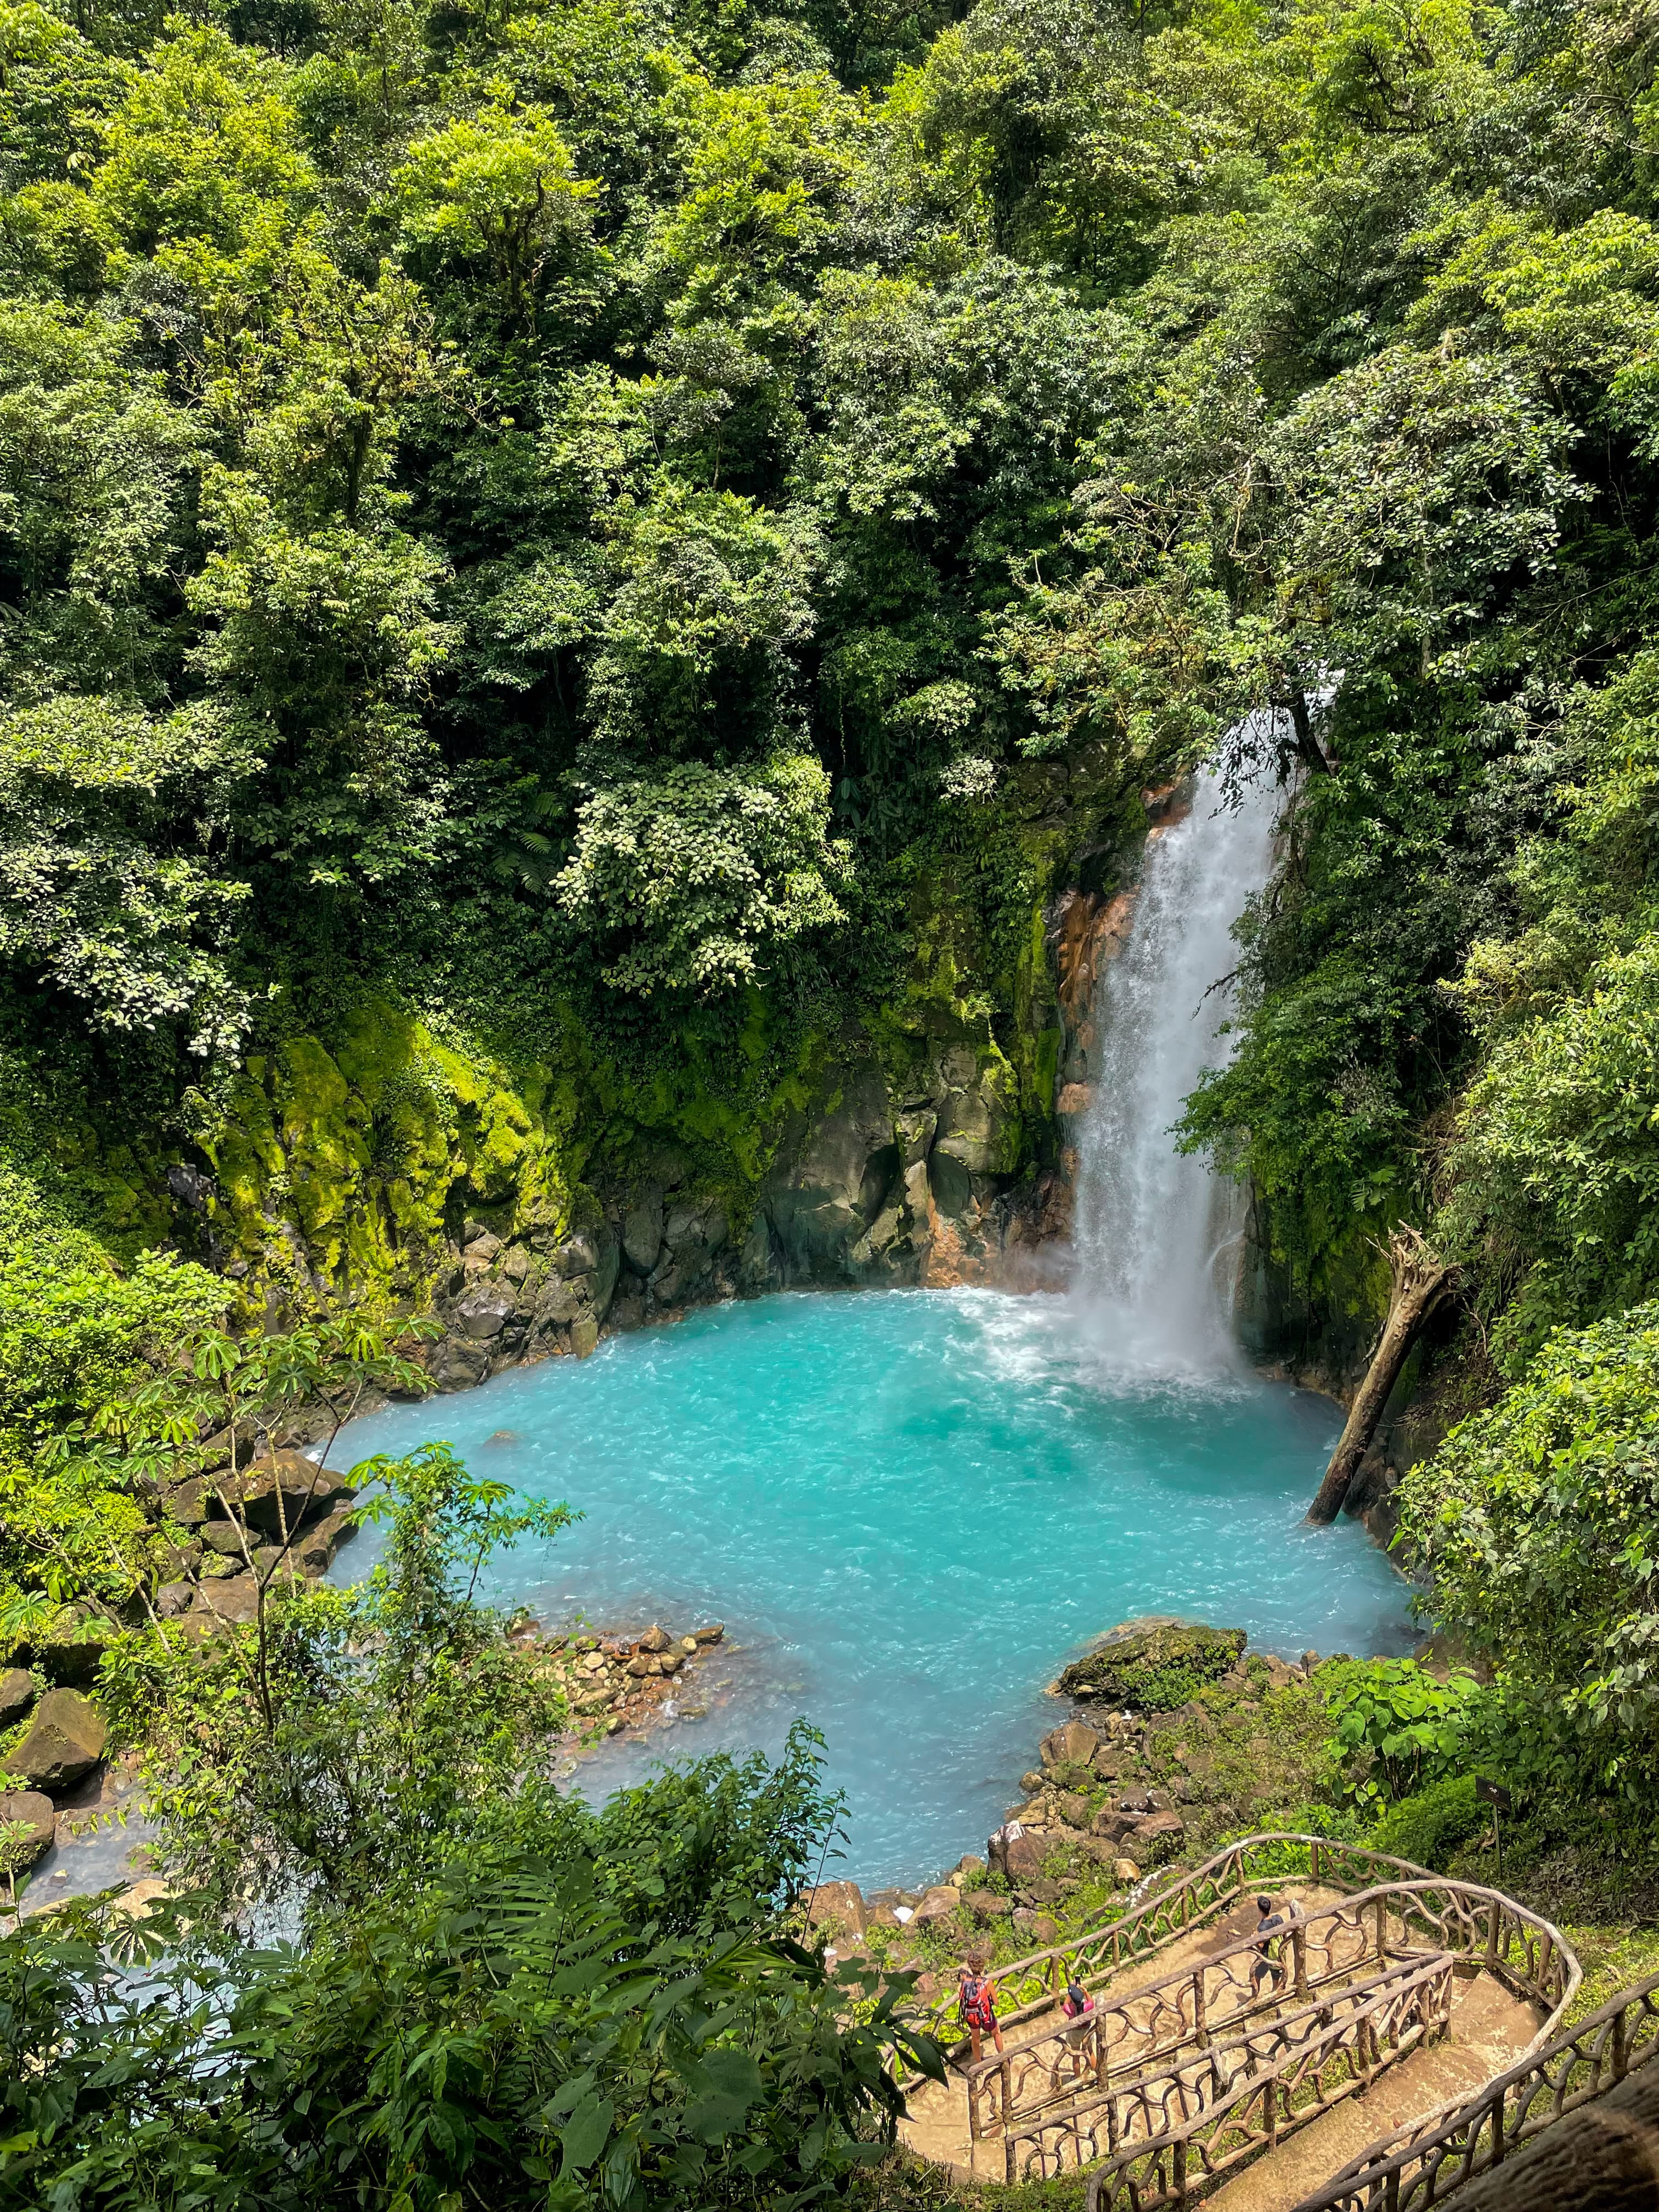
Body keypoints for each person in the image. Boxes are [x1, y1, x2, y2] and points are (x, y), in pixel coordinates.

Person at [959, 1952, 1004, 2064]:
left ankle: (979, 2063)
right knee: (997, 2032)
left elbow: (962, 1995)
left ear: (970, 1966)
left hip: (972, 2016)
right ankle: (1003, 2057)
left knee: (975, 2040)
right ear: (982, 1966)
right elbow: (996, 2002)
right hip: (986, 2015)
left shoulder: (965, 1982)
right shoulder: (987, 1983)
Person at [1059, 1976, 1095, 2079]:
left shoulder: (1070, 2009)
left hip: (1075, 2033)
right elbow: (1091, 2002)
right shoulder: (1088, 2007)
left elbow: (1065, 2004)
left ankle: (1077, 2077)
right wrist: (1085, 1991)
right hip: (1087, 2031)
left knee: (1076, 2056)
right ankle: (1094, 2074)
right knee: (1091, 2051)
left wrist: (1071, 1990)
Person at [1251, 1894, 1287, 1996]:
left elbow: (1261, 1946)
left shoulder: (1262, 1927)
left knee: (1256, 1976)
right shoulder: (1278, 1918)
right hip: (1279, 1953)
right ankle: (1275, 1996)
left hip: (1267, 1956)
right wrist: (1285, 1944)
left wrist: (1255, 1938)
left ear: (1260, 1909)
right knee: (1276, 1978)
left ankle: (1255, 1997)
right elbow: (1285, 1932)